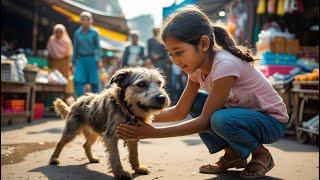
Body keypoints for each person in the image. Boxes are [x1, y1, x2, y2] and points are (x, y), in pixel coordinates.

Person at [116, 5, 288, 179]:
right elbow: (179, 111)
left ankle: (261, 155)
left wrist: (153, 133)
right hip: (243, 119)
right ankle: (233, 156)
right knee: (197, 102)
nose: (175, 61)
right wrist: (133, 116)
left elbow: (204, 122)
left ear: (204, 44)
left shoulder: (225, 65)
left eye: (179, 52)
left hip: (271, 122)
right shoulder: (196, 70)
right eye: (171, 54)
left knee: (218, 118)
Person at [73, 11, 102, 97]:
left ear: (90, 21)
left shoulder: (94, 33)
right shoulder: (77, 33)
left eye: (87, 19)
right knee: (77, 80)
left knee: (94, 82)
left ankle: (96, 103)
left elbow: (98, 48)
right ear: (81, 21)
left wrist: (98, 59)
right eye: (83, 19)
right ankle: (80, 102)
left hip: (92, 59)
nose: (85, 21)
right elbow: (75, 48)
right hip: (81, 60)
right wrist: (73, 62)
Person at [47, 24, 74, 96]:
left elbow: (69, 54)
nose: (58, 33)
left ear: (63, 32)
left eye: (60, 31)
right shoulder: (51, 40)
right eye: (57, 31)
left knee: (65, 82)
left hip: (64, 65)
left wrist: (70, 65)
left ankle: (64, 98)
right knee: (53, 80)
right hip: (54, 64)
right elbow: (49, 53)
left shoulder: (66, 41)